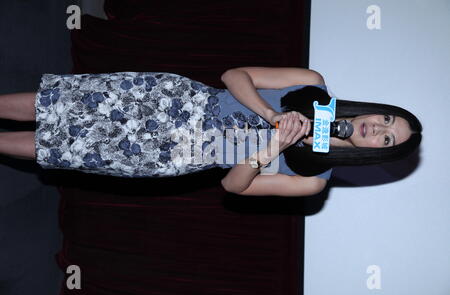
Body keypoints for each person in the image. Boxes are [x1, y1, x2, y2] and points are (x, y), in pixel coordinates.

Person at [0, 67, 422, 197]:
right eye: (386, 119)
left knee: (58, 144)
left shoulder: (313, 179)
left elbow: (234, 186)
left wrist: (274, 147)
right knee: (56, 104)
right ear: (375, 111)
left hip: (174, 152)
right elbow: (234, 75)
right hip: (178, 100)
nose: (377, 129)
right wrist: (271, 115)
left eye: (387, 139)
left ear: (375, 152)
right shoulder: (312, 84)